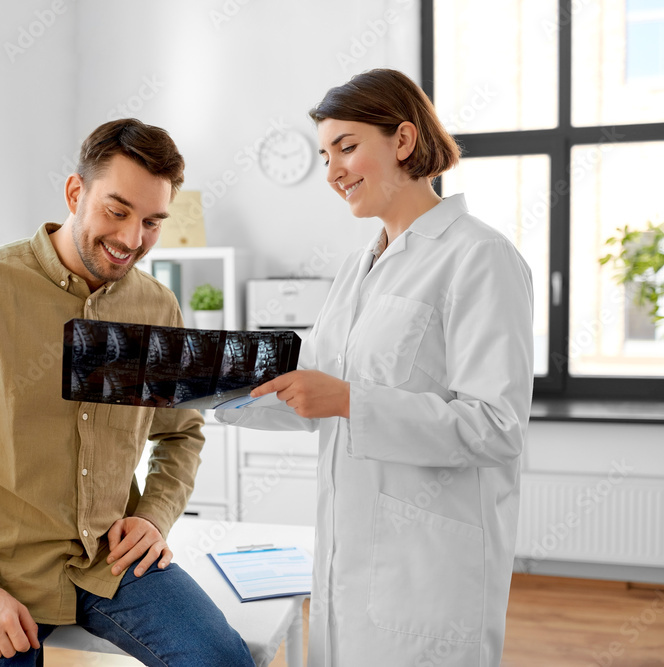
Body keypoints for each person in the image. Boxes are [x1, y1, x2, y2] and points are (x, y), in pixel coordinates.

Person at [0, 118, 254, 666]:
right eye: (117, 210)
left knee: (224, 660)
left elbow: (181, 434)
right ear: (76, 192)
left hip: (110, 561)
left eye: (152, 222)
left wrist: (154, 515)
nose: (132, 239)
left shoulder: (156, 308)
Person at [217, 69, 534, 666]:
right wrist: (202, 394)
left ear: (404, 141)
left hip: (429, 570)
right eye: (324, 154)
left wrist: (349, 401)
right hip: (347, 557)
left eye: (347, 147)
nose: (332, 171)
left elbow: (497, 427)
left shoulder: (480, 257)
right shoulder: (357, 267)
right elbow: (308, 391)